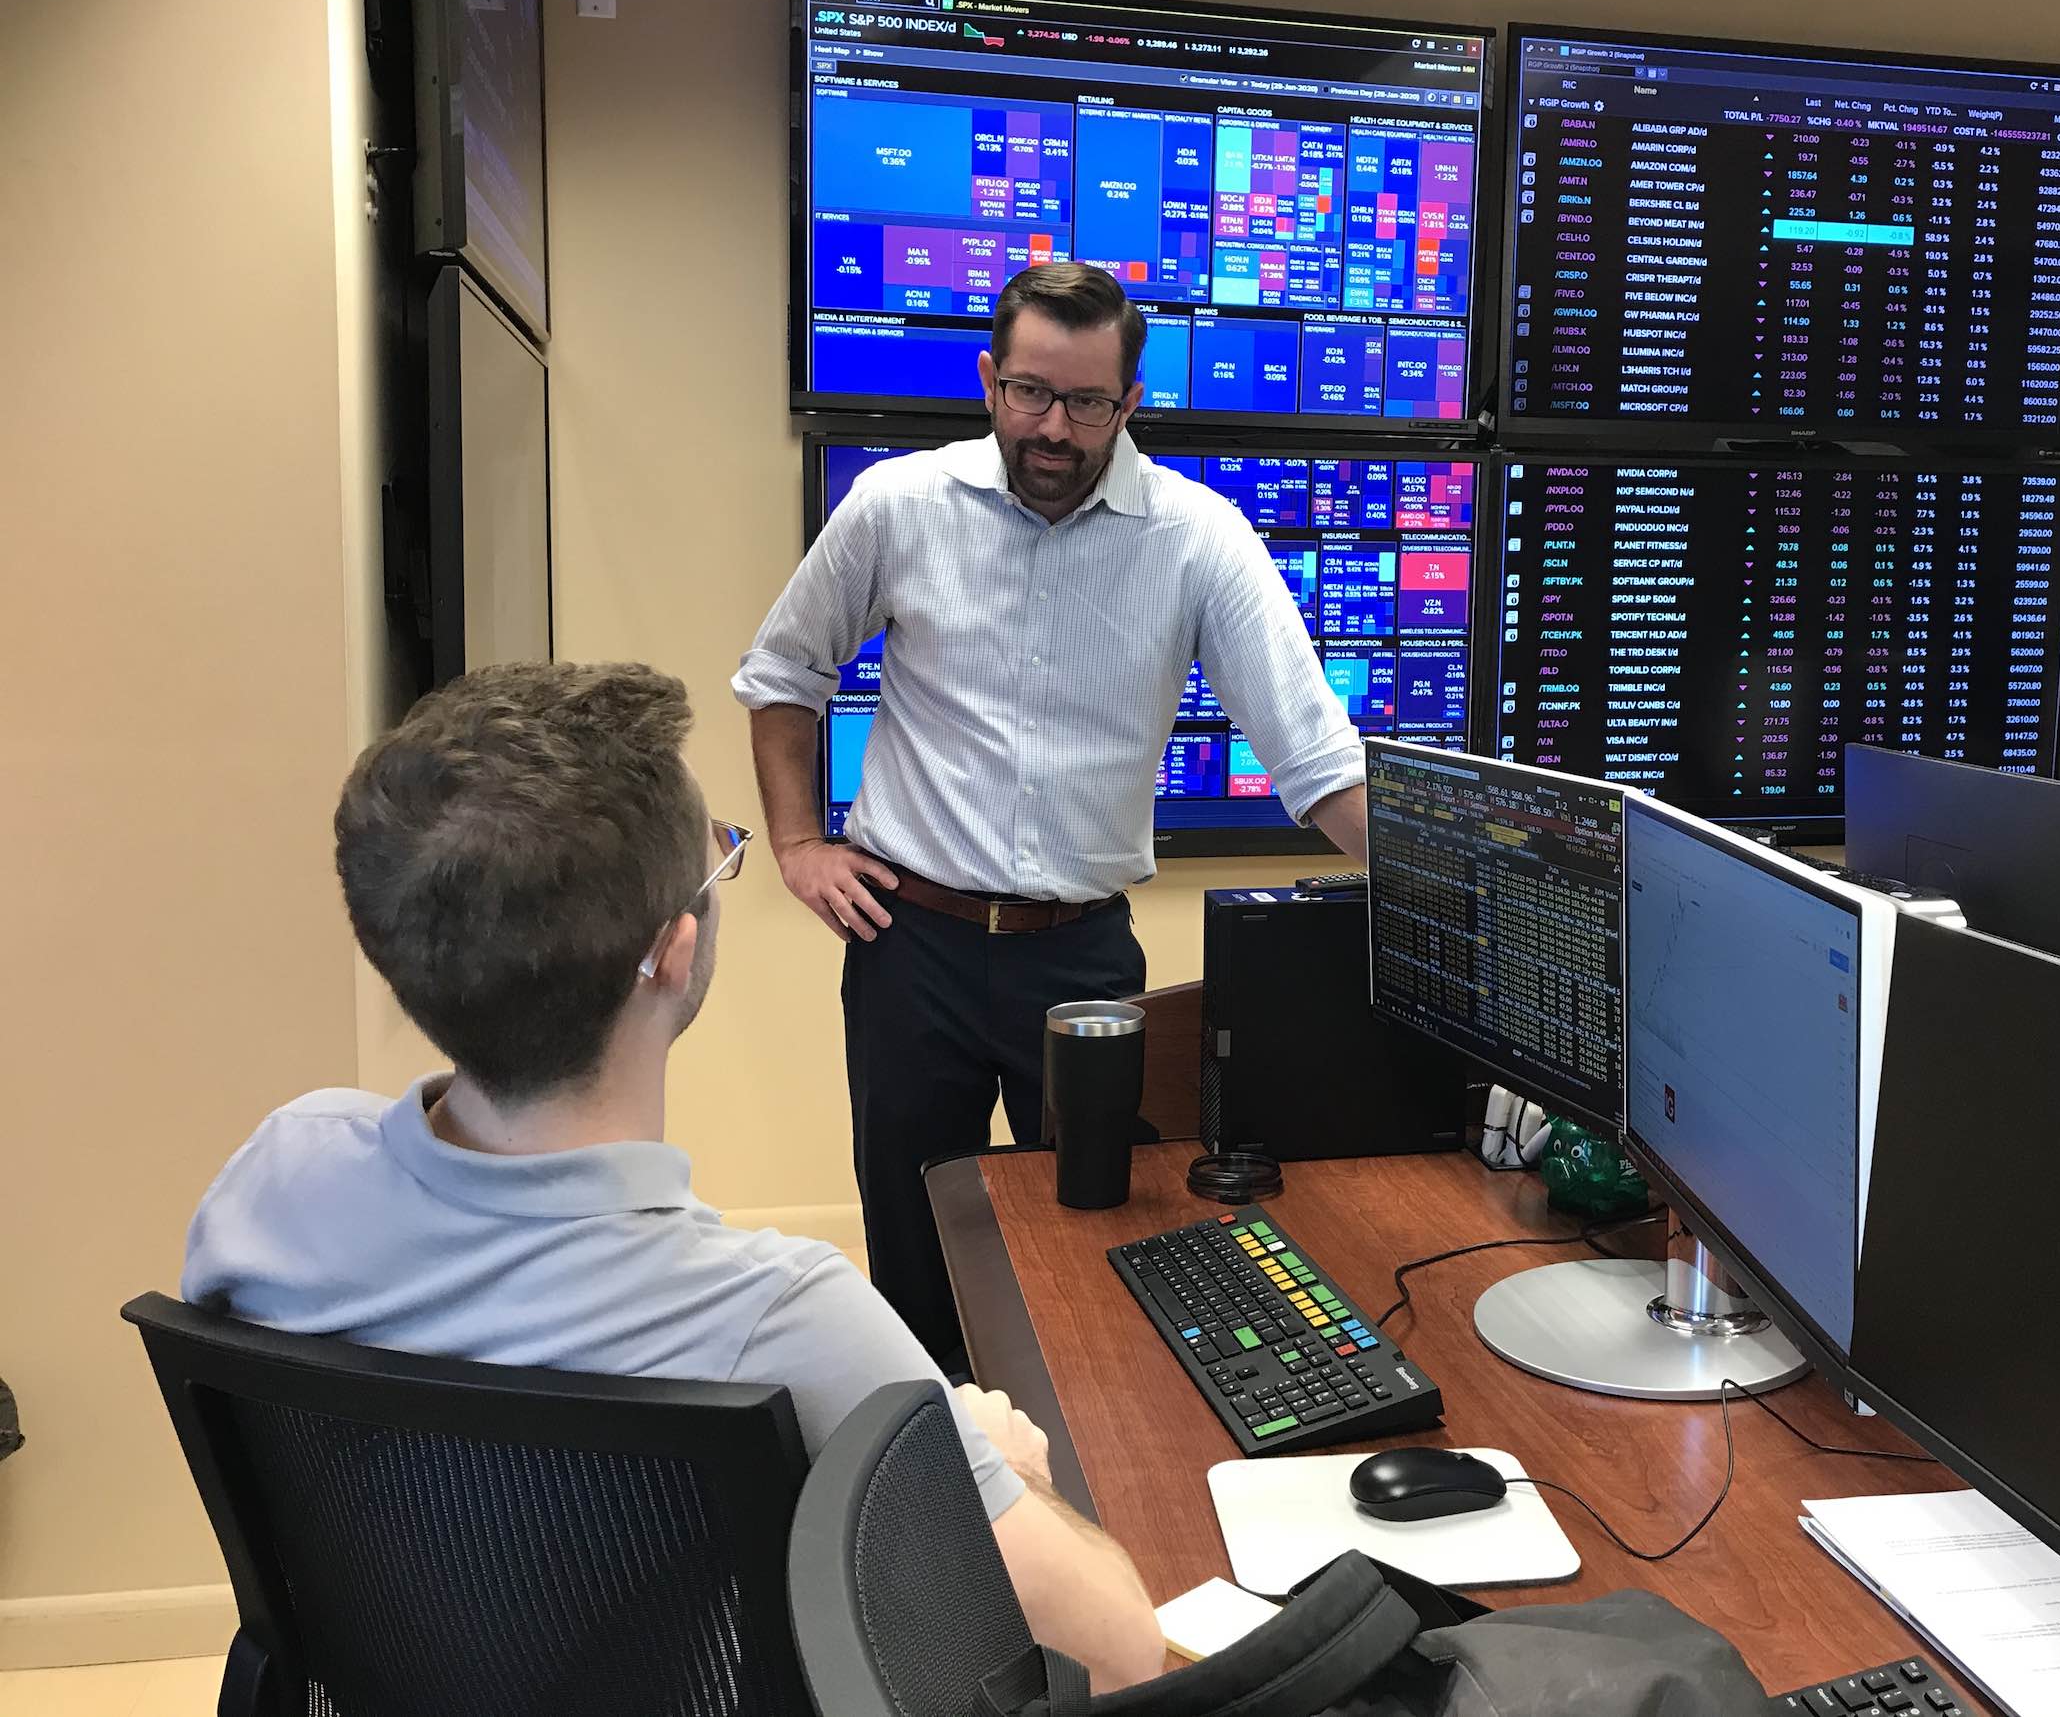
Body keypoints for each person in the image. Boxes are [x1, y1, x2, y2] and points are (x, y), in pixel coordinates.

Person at [181, 661, 1166, 1691]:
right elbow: (1120, 1652)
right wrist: (1004, 1473)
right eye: (722, 860)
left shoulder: (275, 1177)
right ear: (671, 954)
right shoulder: (785, 1323)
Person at [736, 262, 1367, 1375]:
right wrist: (796, 845)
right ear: (989, 380)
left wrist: (1458, 902)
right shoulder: (897, 504)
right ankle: (941, 1477)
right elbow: (785, 673)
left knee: (1096, 1243)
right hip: (907, 942)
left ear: (1130, 406)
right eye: (1031, 392)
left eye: (1085, 403)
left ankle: (1076, 1476)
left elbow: (1315, 761)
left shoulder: (1198, 538)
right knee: (913, 1236)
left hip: (1075, 953)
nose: (1053, 428)